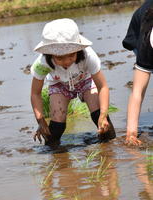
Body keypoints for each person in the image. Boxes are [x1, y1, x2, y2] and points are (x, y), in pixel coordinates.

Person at [30, 18, 115, 146]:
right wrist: (40, 121)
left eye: (71, 55)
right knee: (56, 127)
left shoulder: (88, 56)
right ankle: (54, 156)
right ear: (50, 54)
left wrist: (103, 114)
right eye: (59, 58)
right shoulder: (42, 63)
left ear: (78, 50)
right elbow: (35, 93)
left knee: (100, 118)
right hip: (59, 86)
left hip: (85, 80)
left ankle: (109, 147)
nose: (66, 61)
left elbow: (102, 86)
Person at [122, 0, 153, 146]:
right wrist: (131, 134)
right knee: (142, 83)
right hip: (139, 32)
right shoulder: (147, 44)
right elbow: (137, 92)